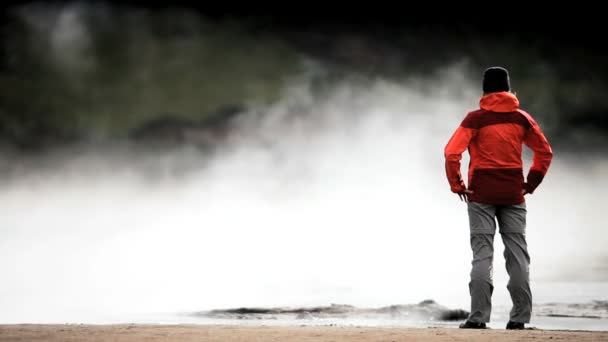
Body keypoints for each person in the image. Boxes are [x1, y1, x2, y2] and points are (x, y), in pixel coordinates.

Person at [444, 66, 553, 330]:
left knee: (482, 255)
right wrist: (531, 183)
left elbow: (451, 153)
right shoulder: (522, 118)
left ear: (484, 89)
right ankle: (519, 319)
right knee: (517, 256)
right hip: (514, 193)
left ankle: (478, 317)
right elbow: (545, 153)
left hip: (480, 193)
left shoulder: (474, 119)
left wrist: (457, 185)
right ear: (508, 88)